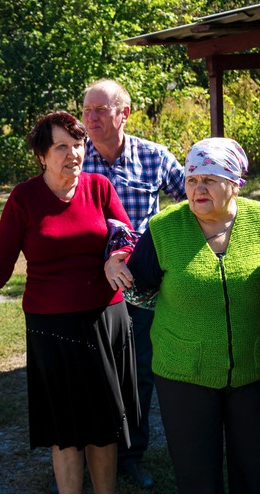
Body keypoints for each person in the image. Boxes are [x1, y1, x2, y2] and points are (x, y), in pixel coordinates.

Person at [0, 111, 139, 494]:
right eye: (62, 146)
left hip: (104, 318)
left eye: (78, 145)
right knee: (66, 429)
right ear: (42, 155)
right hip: (53, 326)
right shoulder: (24, 197)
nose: (73, 154)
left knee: (103, 424)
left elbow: (124, 235)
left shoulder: (99, 187)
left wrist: (115, 257)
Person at [107, 137, 260, 493]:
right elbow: (138, 289)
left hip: (258, 370)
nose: (197, 188)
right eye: (191, 180)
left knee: (259, 475)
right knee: (197, 478)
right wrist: (114, 262)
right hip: (185, 375)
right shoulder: (165, 228)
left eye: (209, 179)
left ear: (234, 183)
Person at [81, 78, 186, 489]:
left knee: (138, 370)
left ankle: (130, 455)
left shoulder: (154, 157)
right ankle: (91, 454)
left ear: (124, 114)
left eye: (100, 111)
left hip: (141, 281)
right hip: (87, 281)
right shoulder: (75, 157)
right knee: (91, 370)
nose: (90, 119)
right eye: (86, 110)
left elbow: (193, 196)